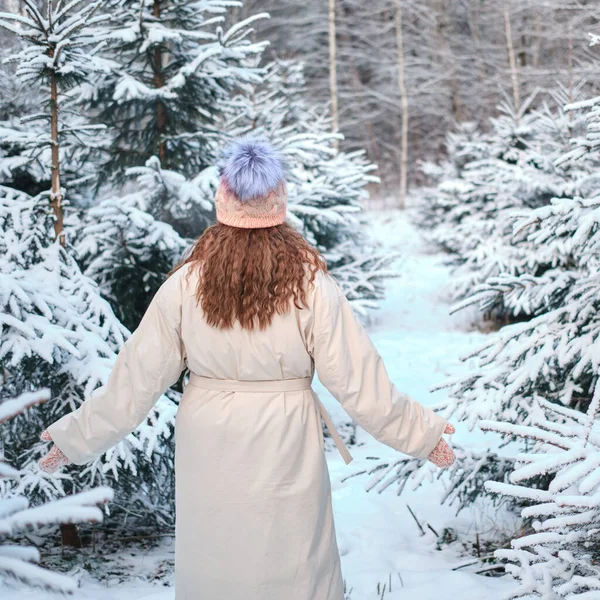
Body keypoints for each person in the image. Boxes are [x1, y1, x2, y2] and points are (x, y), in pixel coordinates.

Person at [39, 137, 456, 600]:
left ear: (223, 207)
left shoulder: (187, 283)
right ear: (279, 210)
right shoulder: (310, 283)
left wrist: (75, 435)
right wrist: (422, 434)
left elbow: (137, 377)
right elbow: (358, 380)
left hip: (209, 435)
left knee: (217, 557)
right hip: (284, 435)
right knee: (292, 559)